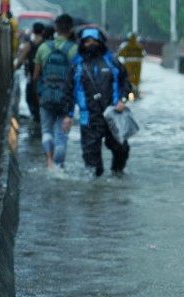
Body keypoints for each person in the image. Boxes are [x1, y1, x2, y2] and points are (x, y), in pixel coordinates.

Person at [62, 27, 131, 177]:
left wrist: (123, 100)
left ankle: (117, 177)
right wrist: (68, 115)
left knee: (122, 150)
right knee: (92, 162)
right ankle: (95, 192)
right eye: (87, 41)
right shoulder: (76, 66)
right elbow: (68, 92)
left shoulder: (112, 62)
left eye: (94, 41)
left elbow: (126, 83)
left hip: (113, 115)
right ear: (82, 44)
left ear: (100, 42)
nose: (91, 44)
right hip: (89, 118)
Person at [34, 14, 77, 169]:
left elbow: (36, 76)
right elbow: (77, 79)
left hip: (46, 96)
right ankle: (59, 165)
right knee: (61, 134)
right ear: (71, 29)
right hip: (65, 99)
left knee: (46, 130)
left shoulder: (44, 48)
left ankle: (49, 161)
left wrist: (39, 94)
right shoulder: (74, 50)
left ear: (56, 28)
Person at [14, 22, 45, 123]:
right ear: (43, 32)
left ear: (33, 31)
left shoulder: (29, 45)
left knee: (30, 100)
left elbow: (18, 63)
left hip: (32, 79)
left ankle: (36, 121)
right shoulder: (46, 46)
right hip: (45, 80)